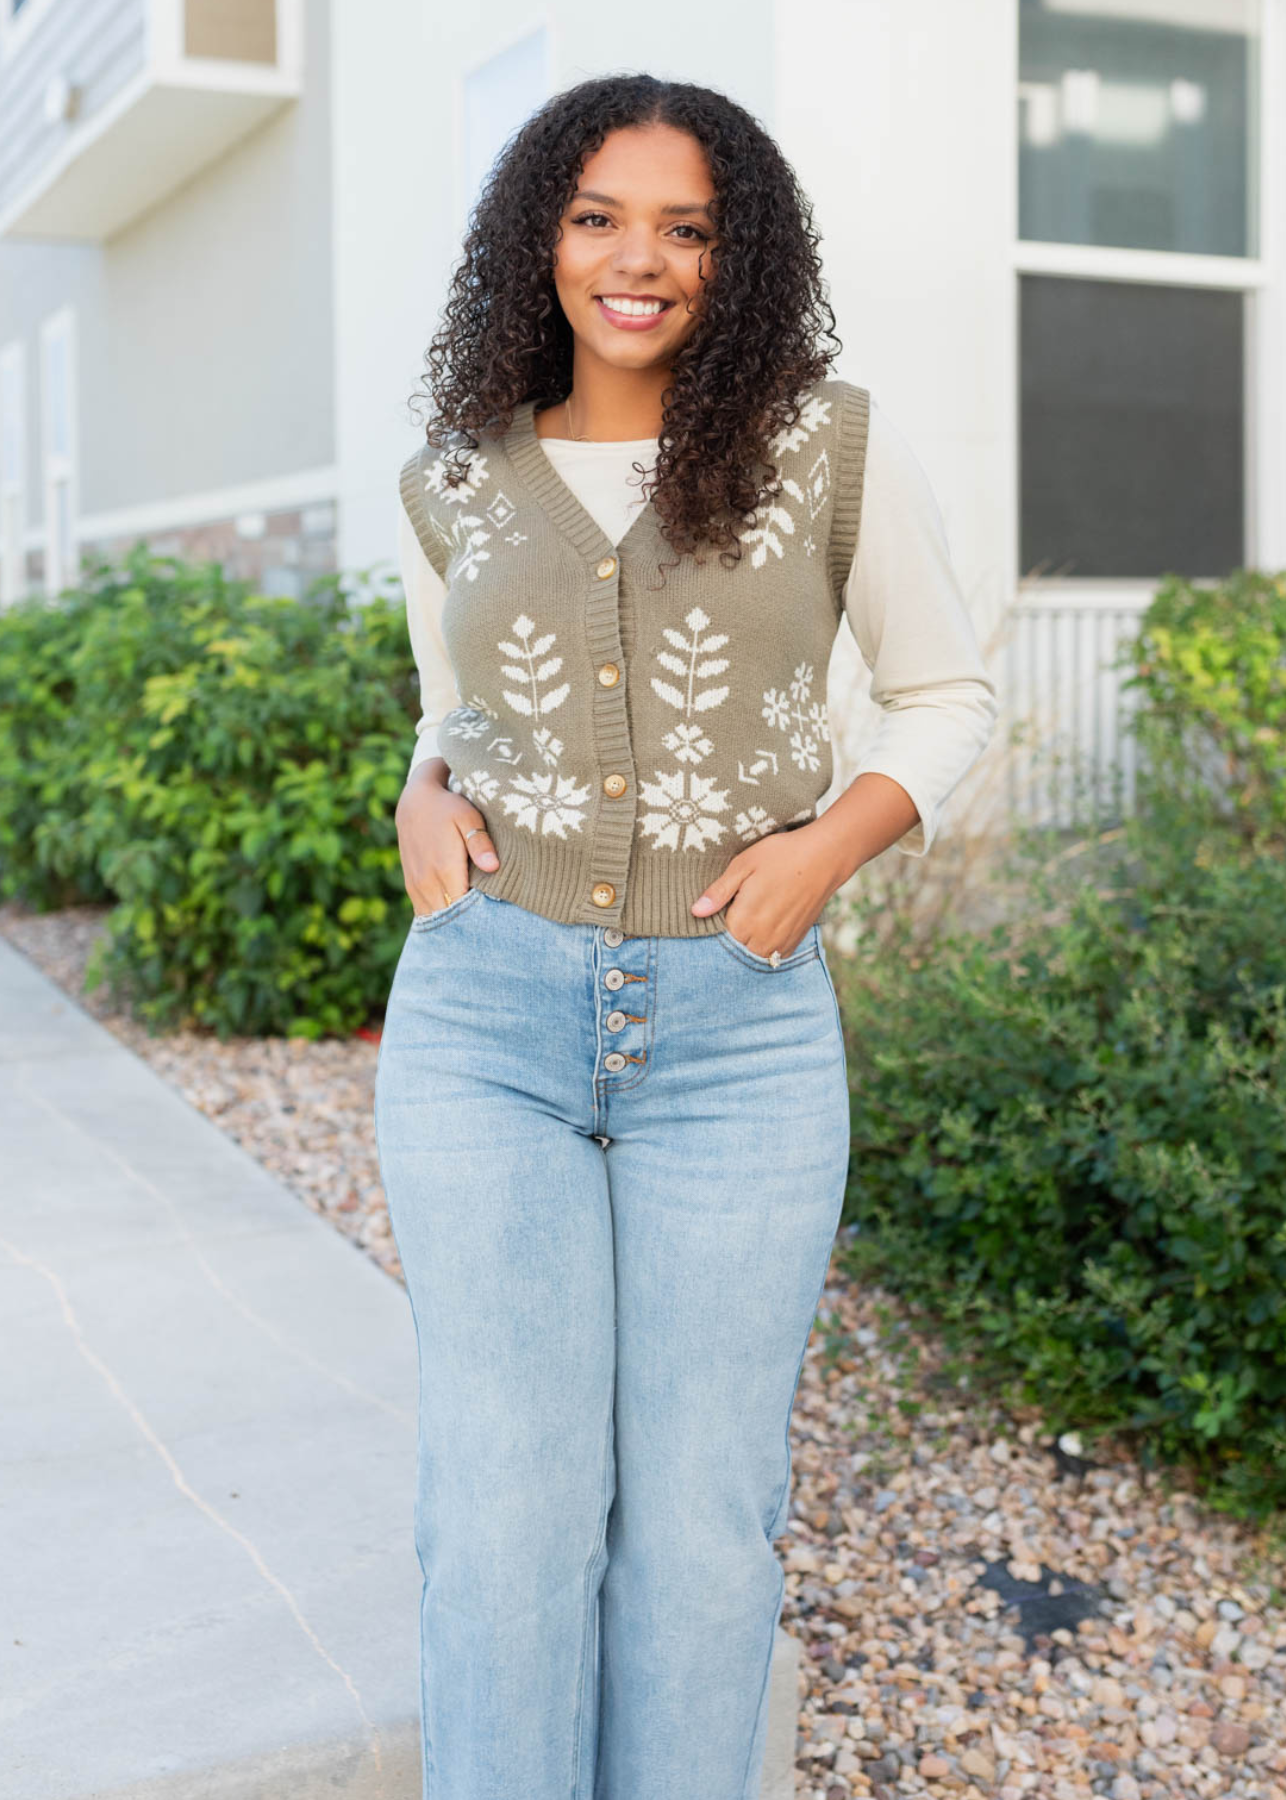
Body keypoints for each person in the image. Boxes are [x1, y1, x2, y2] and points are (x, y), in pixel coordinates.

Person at [374, 73, 997, 1800]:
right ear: (537, 240)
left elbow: (946, 693)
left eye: (686, 226)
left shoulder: (827, 442)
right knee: (503, 1512)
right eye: (595, 216)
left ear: (743, 257)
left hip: (738, 1037)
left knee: (706, 1527)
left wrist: (826, 850)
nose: (636, 259)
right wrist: (418, 799)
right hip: (483, 1024)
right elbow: (453, 714)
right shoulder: (449, 476)